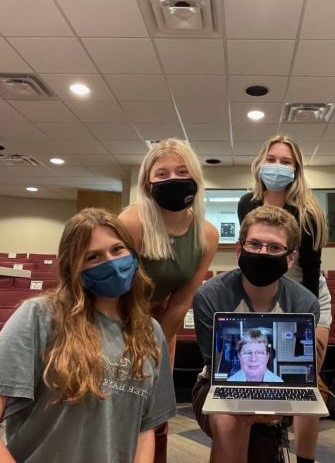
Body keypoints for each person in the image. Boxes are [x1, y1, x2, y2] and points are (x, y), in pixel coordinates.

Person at [0, 208, 176, 463]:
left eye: (117, 249)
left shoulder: (150, 332)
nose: (111, 262)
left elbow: (144, 429)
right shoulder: (41, 317)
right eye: (94, 257)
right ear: (73, 269)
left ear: (133, 254)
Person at [192, 205, 321, 463]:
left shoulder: (305, 303)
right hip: (217, 385)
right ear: (239, 249)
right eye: (255, 244)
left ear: (290, 258)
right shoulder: (209, 296)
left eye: (274, 247)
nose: (263, 253)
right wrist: (252, 405)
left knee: (309, 401)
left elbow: (297, 371)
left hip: (281, 387)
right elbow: (217, 367)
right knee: (231, 422)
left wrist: (273, 406)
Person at [119, 139, 218, 462]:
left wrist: (155, 345)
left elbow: (182, 299)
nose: (172, 179)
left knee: (155, 413)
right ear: (148, 182)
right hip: (115, 320)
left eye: (181, 171)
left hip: (163, 326)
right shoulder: (131, 222)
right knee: (118, 408)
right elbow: (112, 289)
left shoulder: (206, 234)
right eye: (162, 173)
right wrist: (134, 344)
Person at [238, 136, 330, 461]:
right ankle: (262, 443)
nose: (277, 166)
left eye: (286, 161)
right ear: (260, 163)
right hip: (262, 292)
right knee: (260, 373)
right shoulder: (247, 204)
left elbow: (311, 272)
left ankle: (306, 458)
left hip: (305, 294)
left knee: (306, 381)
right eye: (272, 159)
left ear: (297, 169)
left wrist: (307, 322)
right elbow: (250, 256)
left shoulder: (309, 213)